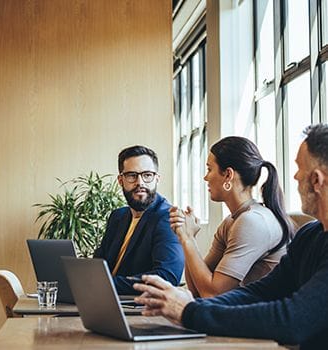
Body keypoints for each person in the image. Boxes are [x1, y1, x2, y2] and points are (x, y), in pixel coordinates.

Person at [133, 124, 328, 349]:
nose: (294, 176)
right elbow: (260, 292)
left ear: (316, 180)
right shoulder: (310, 236)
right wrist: (189, 308)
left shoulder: (254, 221)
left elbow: (292, 319)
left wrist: (189, 311)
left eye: (299, 168)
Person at [169, 136, 292, 297]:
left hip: (263, 317)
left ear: (228, 175)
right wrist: (185, 238)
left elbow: (212, 294)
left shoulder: (252, 222)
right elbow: (196, 290)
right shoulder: (232, 221)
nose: (206, 177)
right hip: (242, 312)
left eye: (209, 169)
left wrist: (188, 239)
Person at [94, 145, 184, 295]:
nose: (140, 182)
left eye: (147, 175)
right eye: (132, 175)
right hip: (104, 300)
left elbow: (167, 277)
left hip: (139, 307)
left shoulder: (167, 218)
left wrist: (105, 284)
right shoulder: (117, 216)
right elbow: (99, 264)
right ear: (121, 180)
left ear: (157, 179)